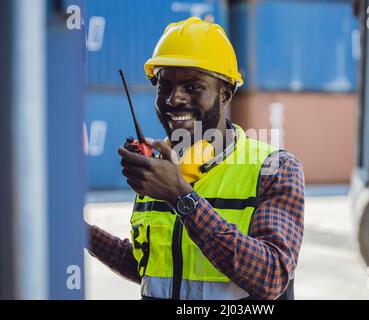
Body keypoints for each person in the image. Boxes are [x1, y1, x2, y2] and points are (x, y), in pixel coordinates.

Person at [86, 17, 305, 300]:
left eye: (192, 87)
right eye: (164, 86)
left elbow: (271, 277)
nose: (173, 99)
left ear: (225, 94)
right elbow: (149, 266)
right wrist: (81, 232)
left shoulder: (274, 169)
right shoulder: (159, 168)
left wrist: (181, 197)